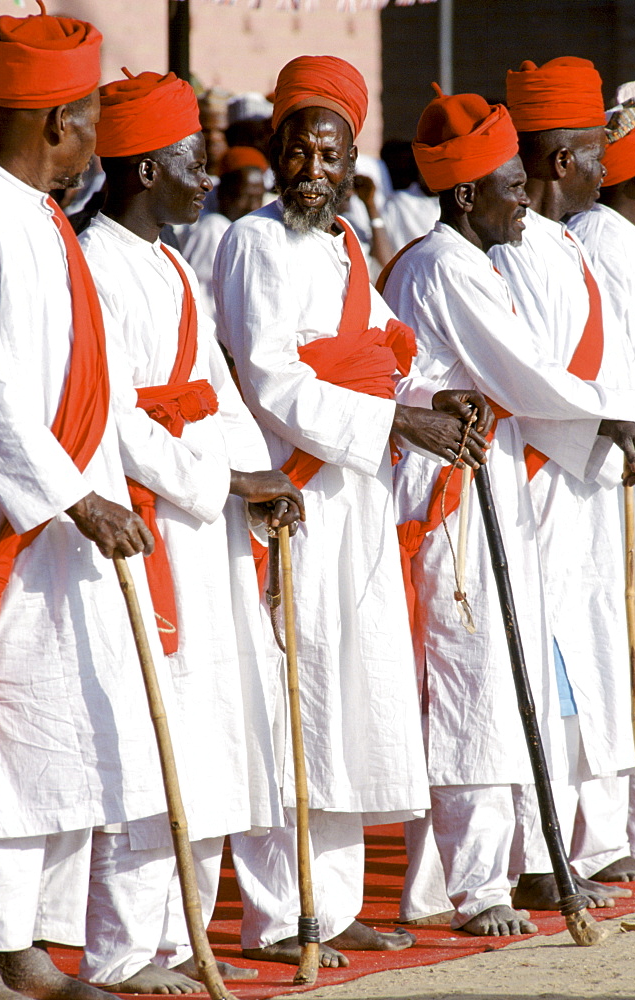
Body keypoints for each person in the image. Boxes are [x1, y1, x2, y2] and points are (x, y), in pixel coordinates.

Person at [213, 53, 492, 968]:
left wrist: (430, 401)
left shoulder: (339, 244)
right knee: (292, 697)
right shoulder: (253, 243)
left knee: (343, 697)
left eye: (330, 155)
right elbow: (273, 377)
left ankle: (329, 906)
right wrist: (393, 415)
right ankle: (278, 913)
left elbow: (377, 351)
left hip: (356, 493)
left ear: (351, 159)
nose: (311, 171)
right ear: (276, 148)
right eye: (298, 151)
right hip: (294, 490)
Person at [383, 86, 635, 936]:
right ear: (466, 194)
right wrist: (623, 412)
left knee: (517, 684)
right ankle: (475, 887)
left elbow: (526, 370)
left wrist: (617, 412)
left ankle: (513, 867)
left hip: (495, 476)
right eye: (509, 183)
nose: (525, 195)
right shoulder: (439, 265)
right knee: (476, 687)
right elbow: (521, 375)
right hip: (456, 497)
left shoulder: (476, 260)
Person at [77, 68, 304, 994]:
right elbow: (115, 415)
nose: (206, 179)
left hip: (202, 527)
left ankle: (180, 934)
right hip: (145, 526)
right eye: (189, 162)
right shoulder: (90, 262)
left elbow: (211, 390)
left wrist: (258, 478)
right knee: (149, 726)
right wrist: (217, 478)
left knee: (208, 729)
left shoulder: (172, 262)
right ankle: (125, 947)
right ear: (140, 169)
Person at [0, 6, 173, 999]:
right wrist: (69, 496)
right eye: (95, 120)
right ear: (56, 120)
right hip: (17, 521)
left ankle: (35, 939)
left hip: (67, 516)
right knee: (16, 735)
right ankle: (5, 939)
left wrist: (93, 492)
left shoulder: (40, 211)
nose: (102, 138)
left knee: (62, 728)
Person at [489, 56, 635, 905]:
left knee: (597, 657)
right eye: (597, 149)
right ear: (561, 160)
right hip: (545, 479)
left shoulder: (566, 240)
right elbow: (535, 375)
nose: (610, 163)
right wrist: (609, 422)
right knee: (548, 660)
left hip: (597, 475)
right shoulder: (521, 250)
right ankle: (537, 851)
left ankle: (588, 840)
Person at [568, 97, 635, 866]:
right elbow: (620, 385)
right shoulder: (604, 243)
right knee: (621, 644)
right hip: (607, 472)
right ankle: (614, 835)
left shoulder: (627, 241)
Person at [182, 145, 268, 317]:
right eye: (245, 197)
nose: (252, 206)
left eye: (258, 198)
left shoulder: (259, 224)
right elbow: (202, 298)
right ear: (223, 194)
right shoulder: (212, 227)